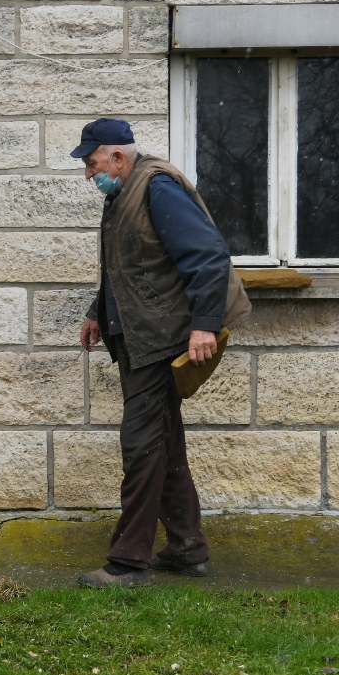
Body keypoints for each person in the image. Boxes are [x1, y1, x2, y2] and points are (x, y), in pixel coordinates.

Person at [74, 118, 250, 589]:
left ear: (117, 157)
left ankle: (129, 563)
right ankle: (187, 550)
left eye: (92, 164)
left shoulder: (157, 189)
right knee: (163, 442)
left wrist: (205, 325)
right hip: (139, 336)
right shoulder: (122, 194)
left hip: (161, 339)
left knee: (142, 446)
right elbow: (129, 265)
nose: (89, 174)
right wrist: (98, 311)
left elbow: (208, 256)